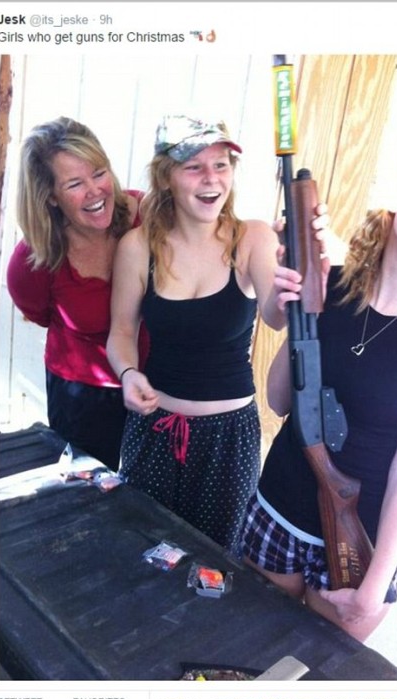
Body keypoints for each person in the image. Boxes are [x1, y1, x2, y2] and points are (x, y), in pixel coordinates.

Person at [239, 143, 397, 641]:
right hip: (276, 512)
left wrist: (375, 584)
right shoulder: (332, 284)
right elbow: (279, 400)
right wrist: (301, 310)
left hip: (357, 543)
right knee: (246, 649)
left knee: (319, 675)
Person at [106, 113, 323, 549]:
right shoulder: (138, 247)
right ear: (166, 178)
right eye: (194, 167)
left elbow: (275, 315)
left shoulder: (252, 238)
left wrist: (293, 289)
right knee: (140, 547)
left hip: (229, 440)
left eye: (221, 165)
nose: (211, 178)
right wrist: (128, 374)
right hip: (154, 430)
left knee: (216, 562)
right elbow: (122, 332)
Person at [7, 117, 148, 470]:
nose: (95, 191)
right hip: (82, 397)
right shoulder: (34, 260)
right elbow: (38, 312)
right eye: (75, 184)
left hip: (156, 386)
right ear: (51, 197)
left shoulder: (146, 217)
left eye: (99, 173)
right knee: (88, 492)